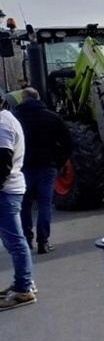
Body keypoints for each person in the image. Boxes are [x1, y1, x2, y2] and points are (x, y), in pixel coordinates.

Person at [13, 88, 72, 254]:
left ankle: (26, 239)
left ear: (22, 100)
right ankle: (43, 242)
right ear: (38, 98)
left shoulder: (16, 119)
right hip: (47, 166)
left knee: (24, 204)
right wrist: (58, 162)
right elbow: (67, 142)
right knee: (45, 204)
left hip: (23, 167)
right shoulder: (52, 117)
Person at [0, 95, 36, 310]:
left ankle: (24, 288)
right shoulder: (6, 119)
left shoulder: (2, 123)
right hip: (10, 188)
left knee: (15, 242)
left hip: (6, 190)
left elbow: (3, 160)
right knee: (14, 241)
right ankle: (23, 282)